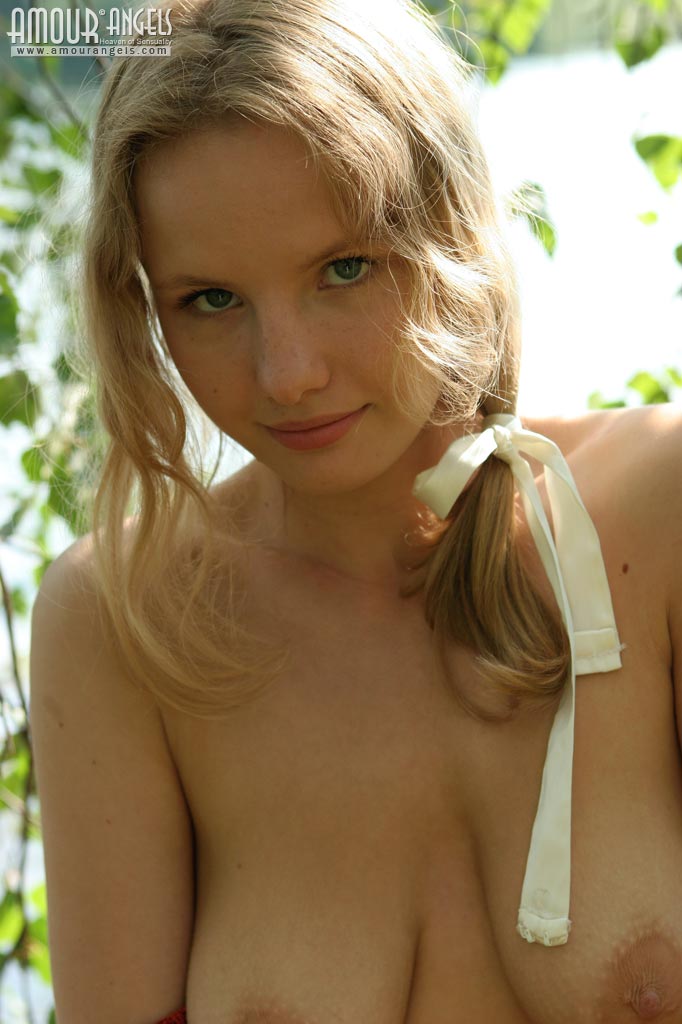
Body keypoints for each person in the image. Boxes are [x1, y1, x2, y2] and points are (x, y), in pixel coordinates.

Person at [28, 0, 682, 1021]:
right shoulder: (132, 628)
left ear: (452, 227)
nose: (286, 374)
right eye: (211, 300)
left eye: (344, 269)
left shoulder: (658, 514)